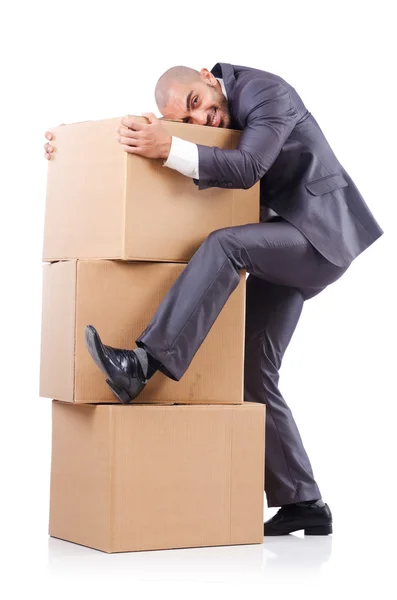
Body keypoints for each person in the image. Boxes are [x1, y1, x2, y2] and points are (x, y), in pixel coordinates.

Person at [43, 63, 383, 537]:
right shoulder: (207, 113)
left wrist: (171, 146)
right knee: (252, 372)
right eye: (188, 117)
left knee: (226, 245)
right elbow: (145, 139)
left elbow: (245, 169)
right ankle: (305, 500)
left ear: (207, 76)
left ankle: (142, 364)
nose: (201, 119)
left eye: (197, 103)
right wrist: (74, 148)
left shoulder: (266, 93)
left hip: (320, 233)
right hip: (283, 235)